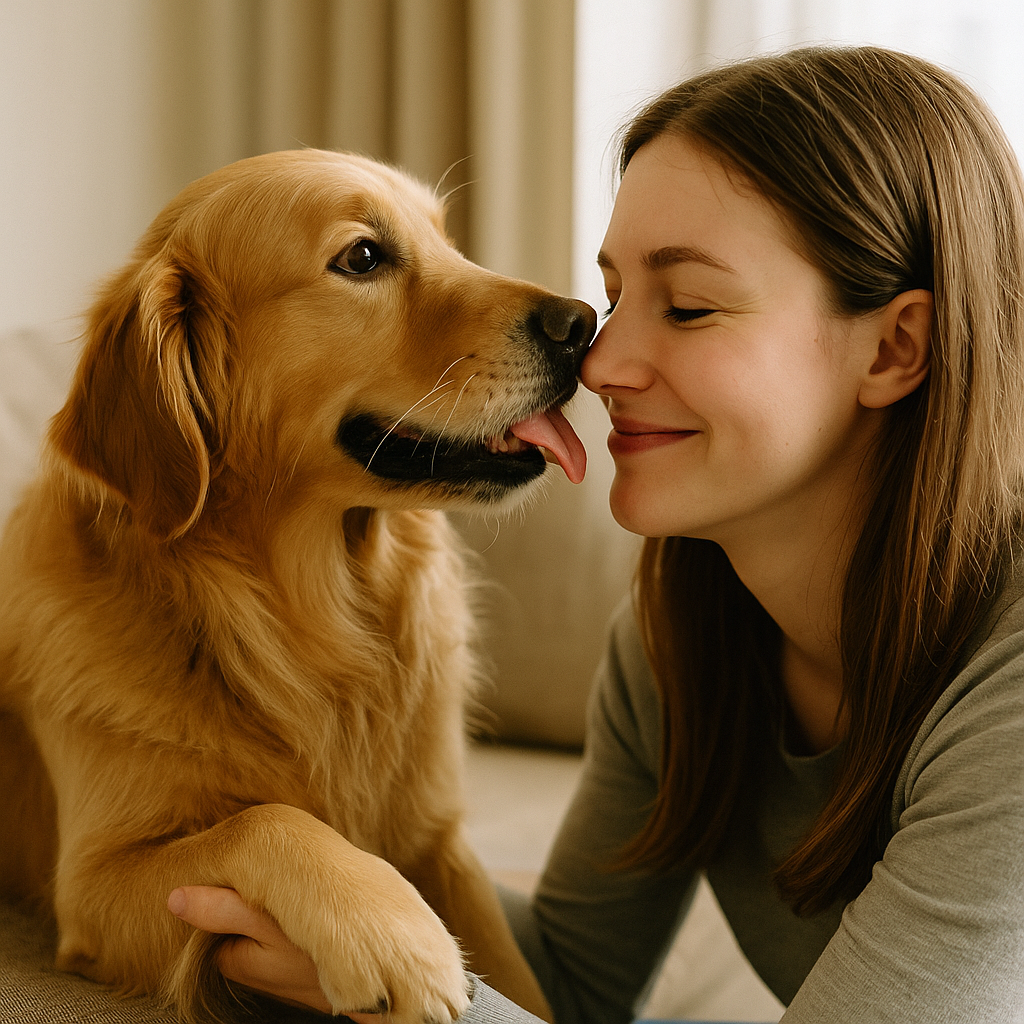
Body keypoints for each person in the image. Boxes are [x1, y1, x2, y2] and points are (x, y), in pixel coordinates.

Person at [166, 45, 1024, 1022]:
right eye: (613, 295)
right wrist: (334, 874)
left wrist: (414, 1004)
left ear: (895, 347)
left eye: (689, 305)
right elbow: (570, 986)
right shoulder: (682, 636)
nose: (600, 359)